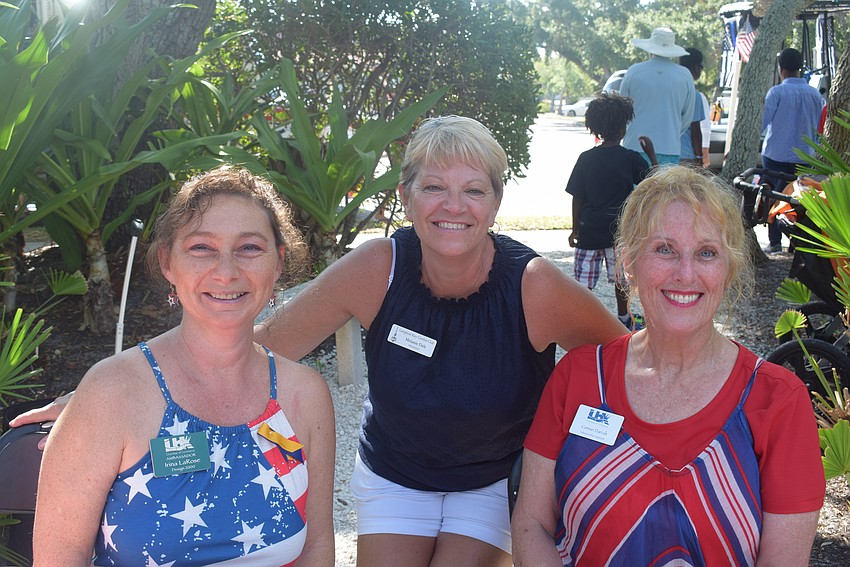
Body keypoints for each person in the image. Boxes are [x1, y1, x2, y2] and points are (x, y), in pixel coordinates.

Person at [15, 116, 627, 566]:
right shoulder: (377, 267)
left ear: (496, 202)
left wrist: (571, 455)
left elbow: (624, 360)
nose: (453, 206)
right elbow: (267, 338)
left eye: (474, 189)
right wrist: (110, 392)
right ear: (406, 197)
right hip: (395, 471)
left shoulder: (534, 286)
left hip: (489, 480)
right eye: (434, 187)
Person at [511, 166, 825, 566]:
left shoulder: (777, 400)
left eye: (707, 253)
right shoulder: (578, 376)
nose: (685, 273)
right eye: (664, 249)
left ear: (728, 270)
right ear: (629, 262)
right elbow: (531, 524)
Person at [32, 168, 336, 566]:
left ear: (278, 264)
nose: (226, 271)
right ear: (167, 262)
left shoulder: (304, 395)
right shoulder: (111, 393)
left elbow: (316, 548)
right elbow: (60, 558)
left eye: (249, 248)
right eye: (201, 248)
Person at [566, 93, 651, 330]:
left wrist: (574, 229)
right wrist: (652, 154)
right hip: (619, 231)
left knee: (583, 282)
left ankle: (582, 320)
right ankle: (624, 318)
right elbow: (651, 184)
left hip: (589, 229)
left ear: (595, 127)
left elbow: (578, 197)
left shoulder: (586, 158)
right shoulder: (631, 158)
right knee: (621, 280)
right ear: (623, 127)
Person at [761, 47, 825, 254]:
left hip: (775, 155)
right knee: (801, 200)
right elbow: (820, 127)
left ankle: (775, 242)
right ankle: (796, 244)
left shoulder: (776, 92)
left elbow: (762, 123)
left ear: (781, 69)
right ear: (799, 68)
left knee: (773, 196)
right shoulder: (815, 95)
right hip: (804, 157)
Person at [620, 27, 696, 166]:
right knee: (664, 187)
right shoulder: (684, 75)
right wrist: (672, 130)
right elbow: (687, 116)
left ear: (650, 48)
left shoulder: (634, 71)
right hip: (669, 146)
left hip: (634, 145)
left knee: (636, 187)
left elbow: (621, 110)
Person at [678, 47, 709, 167]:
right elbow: (695, 130)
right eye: (701, 67)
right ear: (695, 67)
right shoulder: (694, 94)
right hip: (686, 156)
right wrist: (699, 157)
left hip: (668, 151)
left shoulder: (671, 91)